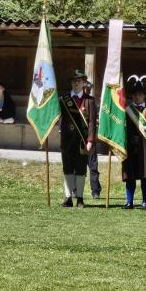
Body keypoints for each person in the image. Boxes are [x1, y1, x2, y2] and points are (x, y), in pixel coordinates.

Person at [59, 70, 97, 208]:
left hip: (82, 140)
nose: (76, 83)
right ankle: (68, 198)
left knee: (81, 169)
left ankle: (80, 198)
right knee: (67, 168)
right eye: (74, 81)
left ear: (84, 83)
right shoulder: (64, 99)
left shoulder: (90, 100)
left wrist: (90, 140)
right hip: (67, 140)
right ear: (71, 83)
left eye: (79, 81)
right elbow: (59, 118)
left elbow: (92, 122)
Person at [122, 75, 146, 210]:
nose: (137, 97)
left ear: (144, 96)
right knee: (130, 175)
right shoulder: (126, 111)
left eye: (140, 94)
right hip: (129, 147)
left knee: (145, 175)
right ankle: (129, 201)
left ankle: (145, 201)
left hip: (145, 147)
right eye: (135, 95)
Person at [83, 81, 102, 199]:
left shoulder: (92, 102)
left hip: (91, 139)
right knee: (78, 168)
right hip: (79, 138)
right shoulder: (76, 100)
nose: (86, 91)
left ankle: (95, 190)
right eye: (85, 89)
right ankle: (75, 190)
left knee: (93, 167)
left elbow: (94, 122)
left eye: (88, 89)